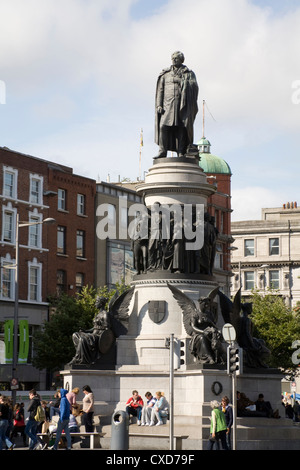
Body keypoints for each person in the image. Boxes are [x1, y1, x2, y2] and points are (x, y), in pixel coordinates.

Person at [155, 51, 198, 158]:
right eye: (172, 58)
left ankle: (181, 151)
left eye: (176, 58)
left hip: (182, 105)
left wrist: (181, 81)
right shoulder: (165, 74)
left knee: (181, 128)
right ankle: (162, 151)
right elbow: (160, 90)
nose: (174, 60)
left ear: (181, 60)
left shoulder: (188, 73)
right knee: (163, 127)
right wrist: (159, 105)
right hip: (167, 106)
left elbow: (194, 86)